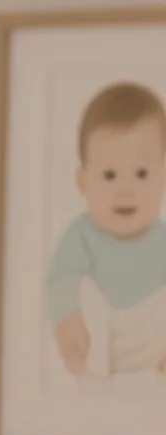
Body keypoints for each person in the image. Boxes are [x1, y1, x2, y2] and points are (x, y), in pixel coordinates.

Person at [47, 81, 166, 376]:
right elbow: (61, 279)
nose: (126, 190)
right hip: (105, 343)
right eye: (110, 175)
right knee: (87, 300)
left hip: (156, 335)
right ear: (82, 181)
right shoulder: (82, 236)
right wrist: (68, 318)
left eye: (141, 173)